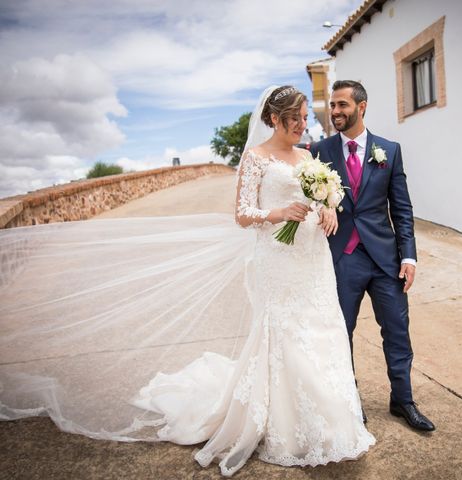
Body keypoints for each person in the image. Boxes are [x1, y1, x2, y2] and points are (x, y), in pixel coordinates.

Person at [0, 85, 374, 477]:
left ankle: (331, 425)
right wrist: (278, 212)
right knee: (284, 334)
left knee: (321, 329)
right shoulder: (255, 158)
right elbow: (243, 214)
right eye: (295, 117)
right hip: (278, 260)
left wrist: (327, 208)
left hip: (312, 258)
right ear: (274, 119)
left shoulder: (306, 155)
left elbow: (322, 196)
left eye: (303, 117)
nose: (303, 123)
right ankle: (286, 426)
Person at [311, 80, 436, 432]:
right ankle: (349, 401)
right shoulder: (319, 151)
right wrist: (320, 209)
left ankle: (403, 400)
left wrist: (409, 257)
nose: (335, 112)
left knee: (397, 332)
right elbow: (311, 201)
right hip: (341, 258)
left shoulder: (389, 150)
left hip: (385, 259)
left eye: (342, 105)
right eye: (332, 106)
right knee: (341, 333)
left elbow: (402, 208)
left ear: (361, 107)